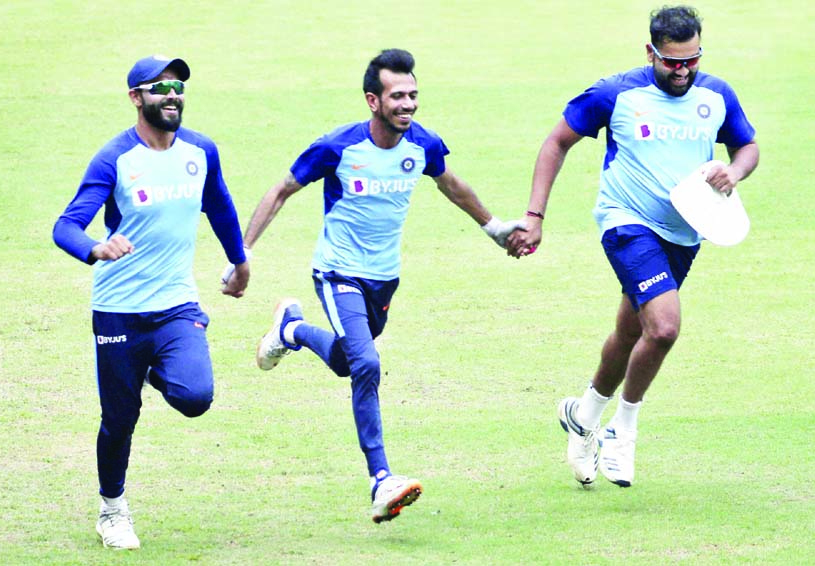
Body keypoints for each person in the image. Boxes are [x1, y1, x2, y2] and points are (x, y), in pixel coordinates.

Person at [240, 48, 522, 523]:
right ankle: (380, 479)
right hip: (337, 272)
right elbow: (281, 190)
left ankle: (291, 330)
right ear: (373, 101)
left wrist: (494, 230)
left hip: (384, 280)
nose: (408, 104)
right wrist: (242, 254)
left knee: (348, 362)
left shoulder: (423, 146)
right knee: (367, 362)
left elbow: (451, 185)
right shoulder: (338, 147)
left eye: (413, 95)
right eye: (397, 96)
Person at [507, 5, 759, 488]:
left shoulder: (716, 94)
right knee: (663, 329)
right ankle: (622, 431)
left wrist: (736, 171)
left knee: (630, 333)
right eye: (672, 62)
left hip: (687, 231)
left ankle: (583, 416)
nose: (683, 71)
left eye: (692, 60)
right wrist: (535, 216)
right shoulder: (616, 94)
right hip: (627, 223)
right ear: (651, 52)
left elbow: (746, 146)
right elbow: (556, 142)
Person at [53, 55, 250, 549]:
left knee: (195, 396)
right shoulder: (115, 158)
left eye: (178, 86)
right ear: (136, 97)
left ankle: (151, 364)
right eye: (159, 87)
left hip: (176, 304)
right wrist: (96, 247)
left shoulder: (200, 151)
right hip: (118, 309)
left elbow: (219, 205)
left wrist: (239, 261)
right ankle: (111, 510)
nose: (172, 94)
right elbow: (66, 226)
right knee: (120, 420)